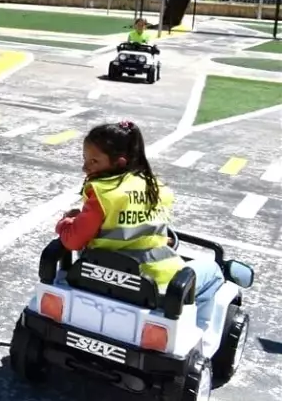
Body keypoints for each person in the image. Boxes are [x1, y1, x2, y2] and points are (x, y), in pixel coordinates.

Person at [56, 121, 226, 331]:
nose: (85, 167)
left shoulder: (103, 192)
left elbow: (73, 240)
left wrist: (65, 223)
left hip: (102, 276)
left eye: (93, 161)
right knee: (214, 271)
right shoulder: (159, 189)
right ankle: (197, 332)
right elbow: (141, 229)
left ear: (119, 163)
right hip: (156, 281)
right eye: (85, 159)